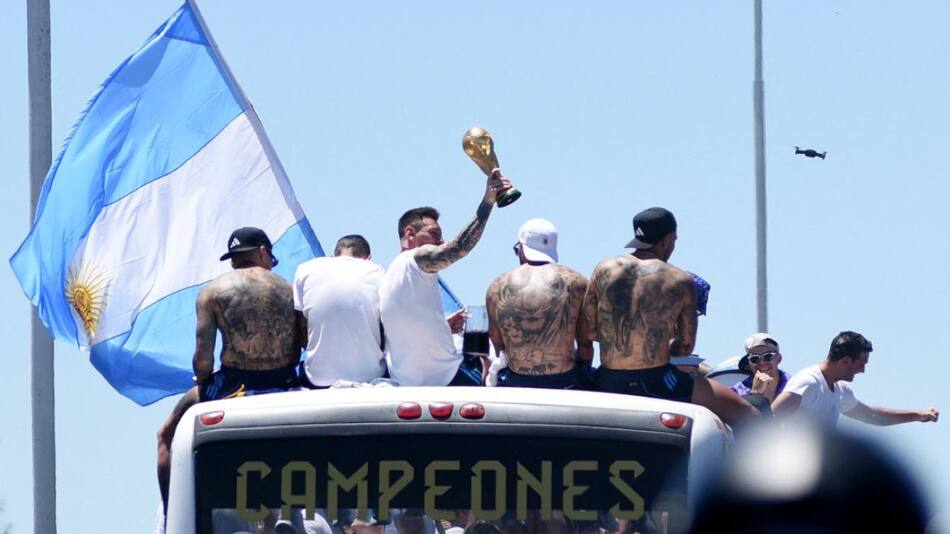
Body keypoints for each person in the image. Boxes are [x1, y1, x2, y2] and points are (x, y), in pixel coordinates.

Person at [157, 227, 301, 512]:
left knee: (165, 436)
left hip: (234, 385)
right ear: (263, 252)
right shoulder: (290, 290)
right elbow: (301, 344)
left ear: (235, 257)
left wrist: (203, 384)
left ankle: (171, 517)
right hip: (284, 381)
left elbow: (203, 359)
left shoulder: (212, 292)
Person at [582, 207, 757, 426]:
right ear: (666, 241)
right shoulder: (679, 280)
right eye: (674, 240)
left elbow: (588, 331)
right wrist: (657, 346)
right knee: (748, 414)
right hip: (657, 380)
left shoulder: (604, 269)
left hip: (608, 379)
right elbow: (685, 346)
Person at [379, 170, 511, 386]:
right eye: (434, 234)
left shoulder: (390, 277)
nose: (441, 241)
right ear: (410, 234)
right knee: (501, 364)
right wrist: (488, 202)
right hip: (451, 377)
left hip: (406, 382)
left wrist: (444, 326)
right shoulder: (414, 259)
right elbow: (458, 248)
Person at [485, 218, 593, 389]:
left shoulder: (497, 286)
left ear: (521, 249)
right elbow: (585, 346)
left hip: (516, 382)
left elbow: (498, 345)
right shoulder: (578, 282)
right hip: (566, 382)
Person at [771, 331, 940, 427]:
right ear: (845, 361)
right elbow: (769, 418)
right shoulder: (808, 382)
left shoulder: (840, 390)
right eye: (861, 364)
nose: (863, 371)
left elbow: (872, 416)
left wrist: (918, 415)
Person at [293, 234, 386, 388]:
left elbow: (300, 329)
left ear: (333, 256)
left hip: (317, 379)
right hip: (371, 377)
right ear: (368, 258)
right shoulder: (377, 271)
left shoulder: (305, 269)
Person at [730, 333, 789, 402]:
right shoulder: (735, 393)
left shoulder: (793, 385)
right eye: (755, 358)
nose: (761, 363)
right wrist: (755, 395)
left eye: (768, 357)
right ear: (749, 363)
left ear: (778, 359)